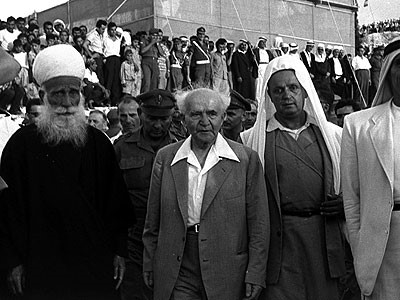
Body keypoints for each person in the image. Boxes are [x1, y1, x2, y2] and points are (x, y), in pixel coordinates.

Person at [0, 44, 133, 299]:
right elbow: (7, 211)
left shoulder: (99, 143)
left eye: (73, 93)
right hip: (39, 264)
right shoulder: (20, 145)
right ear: (43, 94)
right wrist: (12, 261)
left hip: (93, 263)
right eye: (59, 94)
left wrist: (120, 251)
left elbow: (116, 204)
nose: (67, 103)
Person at [142, 88, 269, 300]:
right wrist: (149, 262)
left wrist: (255, 272)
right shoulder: (166, 158)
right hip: (178, 265)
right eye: (195, 114)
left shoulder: (246, 160)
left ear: (223, 118)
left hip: (227, 268)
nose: (204, 121)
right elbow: (152, 221)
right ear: (183, 119)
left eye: (211, 113)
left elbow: (259, 224)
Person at [241, 55, 345, 300]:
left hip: (322, 237)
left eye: (293, 87)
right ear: (270, 96)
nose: (286, 94)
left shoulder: (333, 136)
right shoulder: (251, 140)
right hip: (280, 241)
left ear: (305, 91)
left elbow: (354, 185)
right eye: (278, 90)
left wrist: (345, 202)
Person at [341, 37, 400, 300]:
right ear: (388, 70)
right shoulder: (359, 125)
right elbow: (352, 200)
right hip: (381, 242)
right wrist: (359, 247)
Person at [115, 90, 177, 300]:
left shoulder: (182, 147)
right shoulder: (122, 148)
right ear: (141, 114)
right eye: (151, 119)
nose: (158, 125)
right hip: (133, 239)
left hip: (170, 238)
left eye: (164, 119)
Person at [84, 19, 107, 85]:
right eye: (102, 29)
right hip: (96, 56)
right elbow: (85, 45)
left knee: (102, 74)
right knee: (98, 75)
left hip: (101, 56)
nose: (103, 31)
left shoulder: (101, 35)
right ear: (98, 28)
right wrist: (91, 56)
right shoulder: (93, 35)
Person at [103, 22, 121, 105]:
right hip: (109, 58)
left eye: (114, 30)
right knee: (109, 79)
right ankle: (107, 100)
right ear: (108, 31)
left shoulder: (118, 39)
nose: (113, 32)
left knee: (116, 80)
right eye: (111, 30)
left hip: (117, 59)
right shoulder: (106, 39)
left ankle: (115, 100)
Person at [140, 28, 162, 93]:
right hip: (146, 61)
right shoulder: (144, 40)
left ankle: (153, 96)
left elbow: (162, 53)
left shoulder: (157, 43)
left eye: (156, 36)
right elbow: (142, 51)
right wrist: (151, 43)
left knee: (155, 80)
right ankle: (145, 96)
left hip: (155, 61)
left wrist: (157, 44)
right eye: (153, 35)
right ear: (149, 35)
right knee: (147, 82)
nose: (154, 37)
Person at [254, 36, 274, 102]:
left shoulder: (267, 52)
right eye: (262, 42)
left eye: (264, 42)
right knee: (259, 84)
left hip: (267, 67)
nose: (263, 44)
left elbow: (272, 59)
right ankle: (258, 100)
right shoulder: (256, 51)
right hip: (260, 67)